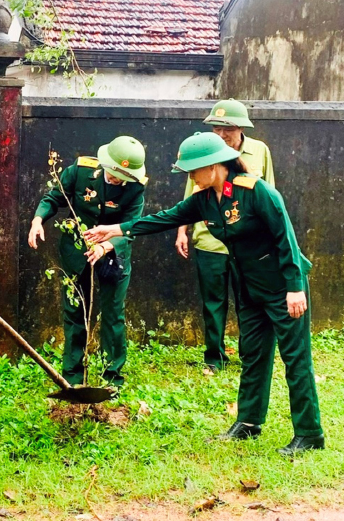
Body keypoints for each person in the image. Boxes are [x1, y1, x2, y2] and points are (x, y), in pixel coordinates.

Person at [85, 133, 323, 455]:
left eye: (193, 171)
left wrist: (294, 287)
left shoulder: (256, 192)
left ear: (213, 166)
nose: (190, 177)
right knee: (253, 355)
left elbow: (286, 239)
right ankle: (249, 422)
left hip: (283, 286)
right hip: (249, 287)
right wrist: (116, 229)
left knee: (295, 358)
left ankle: (309, 434)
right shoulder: (206, 199)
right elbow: (166, 218)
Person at [28, 136, 148, 388]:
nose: (117, 179)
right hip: (76, 251)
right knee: (74, 311)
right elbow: (54, 198)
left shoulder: (136, 187)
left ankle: (111, 376)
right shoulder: (81, 171)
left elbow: (132, 227)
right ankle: (72, 375)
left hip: (113, 255)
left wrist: (106, 246)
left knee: (113, 314)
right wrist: (38, 220)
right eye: (114, 173)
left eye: (124, 176)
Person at [175, 99, 275, 371]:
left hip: (247, 246)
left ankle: (250, 356)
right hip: (209, 241)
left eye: (227, 128)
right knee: (213, 304)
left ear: (241, 128)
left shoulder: (260, 151)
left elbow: (269, 194)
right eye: (216, 128)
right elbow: (191, 195)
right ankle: (214, 358)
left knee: (249, 302)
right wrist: (182, 231)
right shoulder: (204, 150)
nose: (220, 134)